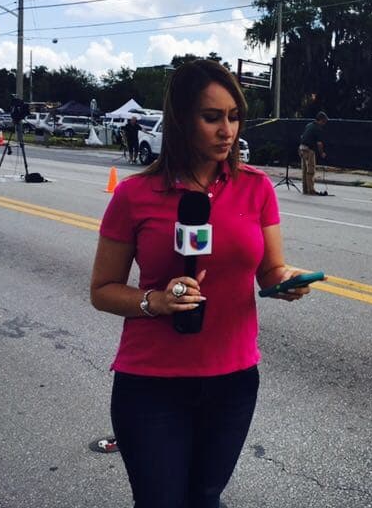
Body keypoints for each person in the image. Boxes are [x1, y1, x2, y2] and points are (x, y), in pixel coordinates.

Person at [90, 60, 315, 508]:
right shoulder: (134, 195)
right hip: (152, 383)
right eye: (211, 117)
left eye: (234, 117)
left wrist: (286, 281)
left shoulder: (256, 188)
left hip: (232, 382)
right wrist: (155, 300)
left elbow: (270, 271)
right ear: (180, 119)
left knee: (205, 497)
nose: (227, 130)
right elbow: (103, 290)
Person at [298, 111, 328, 195]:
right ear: (321, 120)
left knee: (304, 171)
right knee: (310, 170)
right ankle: (311, 190)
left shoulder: (309, 125)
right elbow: (319, 143)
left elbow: (302, 136)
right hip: (309, 150)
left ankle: (305, 189)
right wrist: (321, 153)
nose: (324, 124)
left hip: (302, 148)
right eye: (324, 121)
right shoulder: (317, 128)